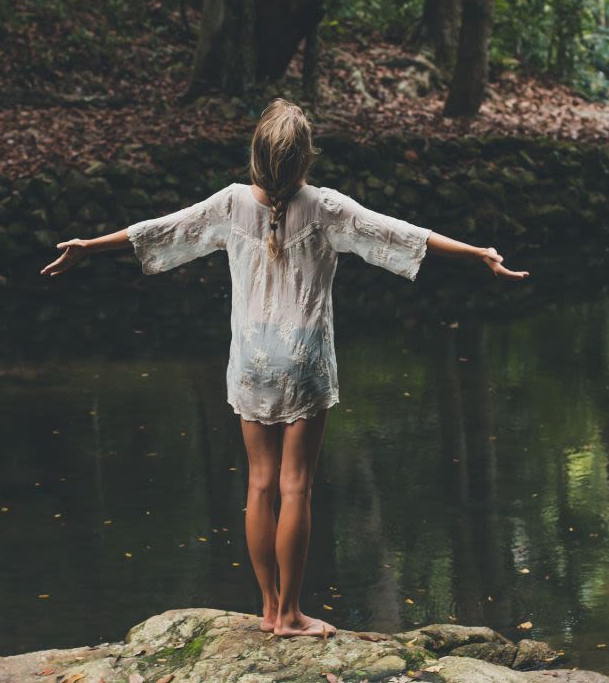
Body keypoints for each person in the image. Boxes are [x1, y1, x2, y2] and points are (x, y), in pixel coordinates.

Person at [41, 98, 528, 639]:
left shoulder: (229, 204)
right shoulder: (325, 207)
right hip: (305, 362)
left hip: (251, 360)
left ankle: (269, 608)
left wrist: (90, 245)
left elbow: (159, 231)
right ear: (303, 162)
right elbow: (401, 235)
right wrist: (477, 251)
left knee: (259, 486)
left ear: (257, 156)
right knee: (296, 487)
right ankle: (291, 615)